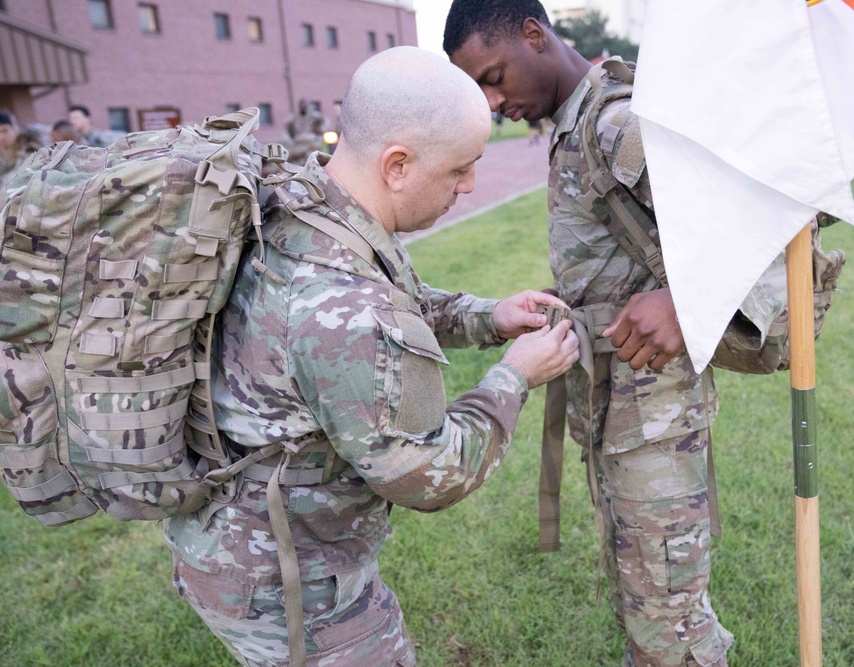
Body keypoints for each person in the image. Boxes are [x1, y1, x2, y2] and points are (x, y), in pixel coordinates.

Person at [164, 45, 579, 667]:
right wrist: (515, 376)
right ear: (398, 165)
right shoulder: (348, 308)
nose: (469, 185)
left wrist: (488, 316)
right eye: (460, 170)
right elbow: (429, 475)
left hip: (233, 539)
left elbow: (397, 302)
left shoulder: (305, 204)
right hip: (289, 583)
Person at [445, 2, 792, 665]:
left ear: (532, 34)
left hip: (654, 429)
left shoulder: (613, 123)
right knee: (645, 604)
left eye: (494, 77)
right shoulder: (576, 121)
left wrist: (687, 305)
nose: (494, 102)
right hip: (619, 416)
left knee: (673, 632)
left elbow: (768, 213)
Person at [285, 98, 326, 164]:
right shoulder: (294, 117)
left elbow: (322, 123)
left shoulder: (313, 116)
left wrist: (318, 134)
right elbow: (288, 128)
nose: (303, 107)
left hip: (310, 140)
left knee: (311, 156)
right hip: (298, 142)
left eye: (305, 105)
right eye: (302, 105)